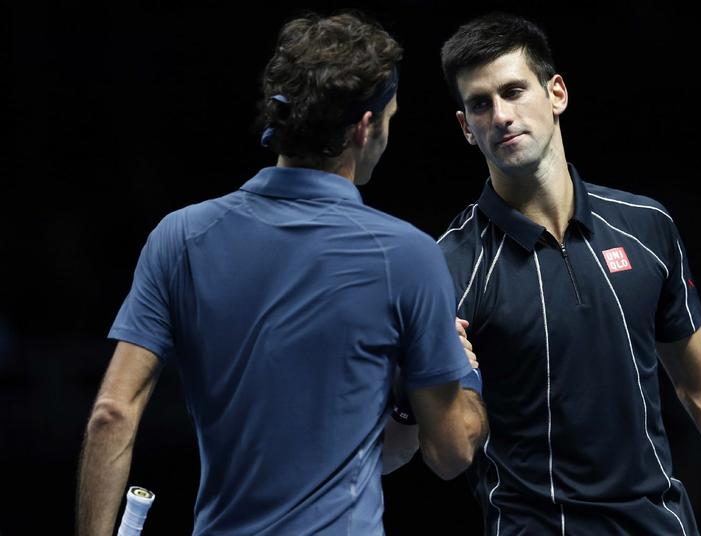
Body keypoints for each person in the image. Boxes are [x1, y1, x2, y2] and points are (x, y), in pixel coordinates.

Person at [76, 12, 487, 536]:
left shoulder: (180, 238)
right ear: (365, 128)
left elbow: (111, 414)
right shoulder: (409, 256)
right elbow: (452, 452)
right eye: (390, 119)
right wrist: (462, 371)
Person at [435, 12, 701, 536]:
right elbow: (450, 452)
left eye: (514, 91)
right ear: (466, 127)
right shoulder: (448, 267)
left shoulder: (646, 226)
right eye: (481, 104)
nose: (501, 115)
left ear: (556, 93)